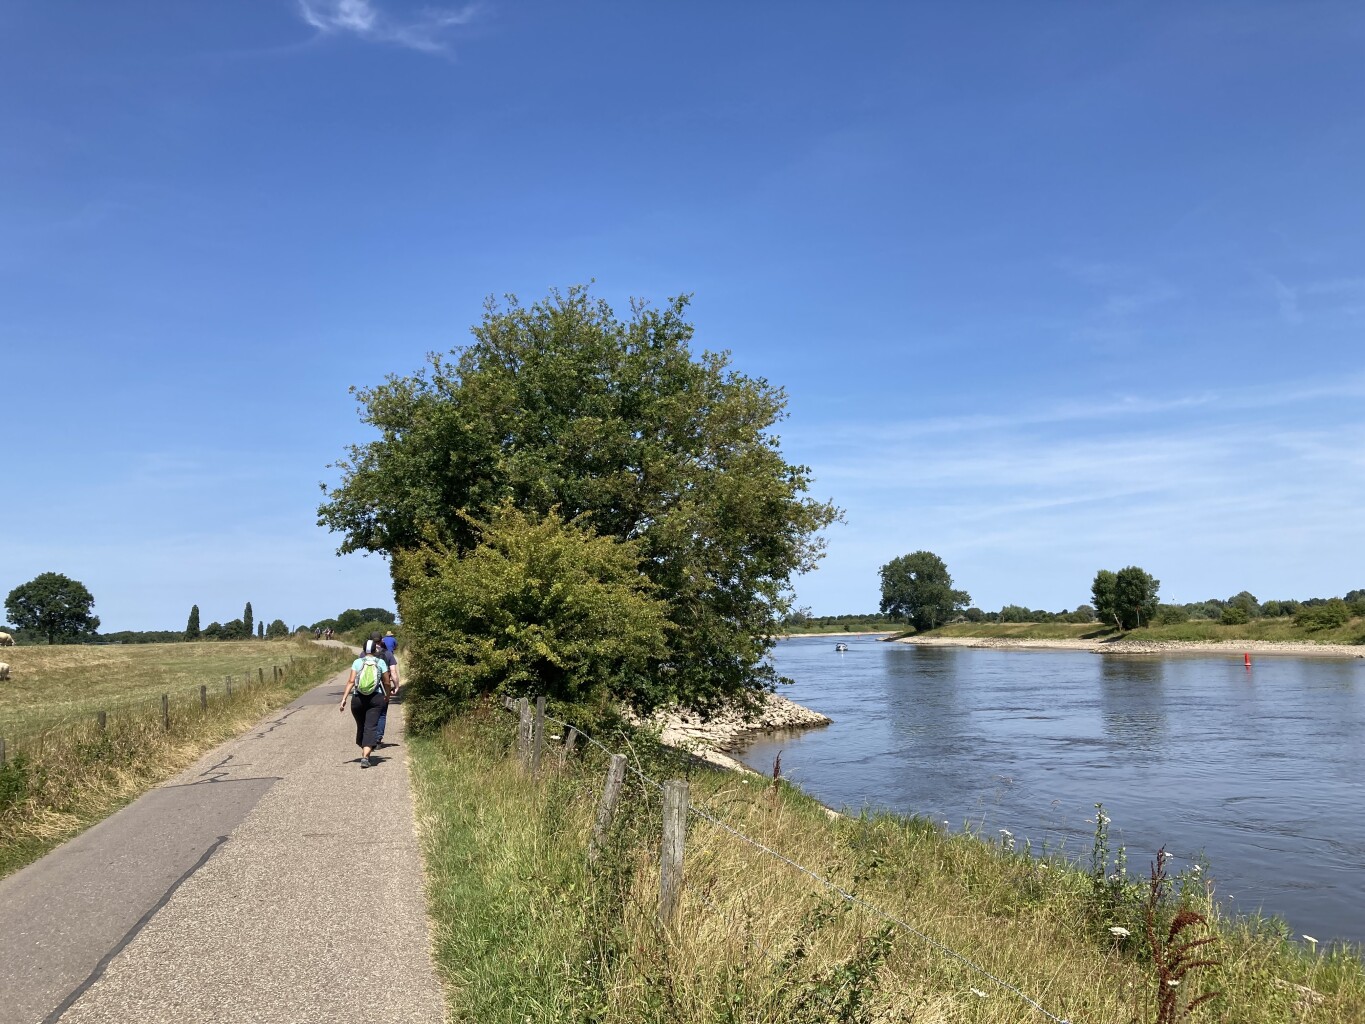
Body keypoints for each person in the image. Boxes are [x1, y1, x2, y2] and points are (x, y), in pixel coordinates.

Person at [339, 647, 391, 768]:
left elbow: (351, 681)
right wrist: (387, 695)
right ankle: (365, 756)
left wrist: (344, 699)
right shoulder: (380, 662)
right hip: (375, 698)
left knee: (361, 726)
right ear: (375, 651)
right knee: (371, 726)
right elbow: (387, 682)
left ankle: (364, 748)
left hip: (358, 699)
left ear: (363, 650)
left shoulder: (357, 662)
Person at [372, 640, 400, 748]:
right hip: (384, 687)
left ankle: (369, 738)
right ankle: (378, 739)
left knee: (369, 713)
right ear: (381, 640)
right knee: (382, 714)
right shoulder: (388, 653)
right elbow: (393, 672)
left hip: (368, 690)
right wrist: (396, 686)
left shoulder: (363, 654)